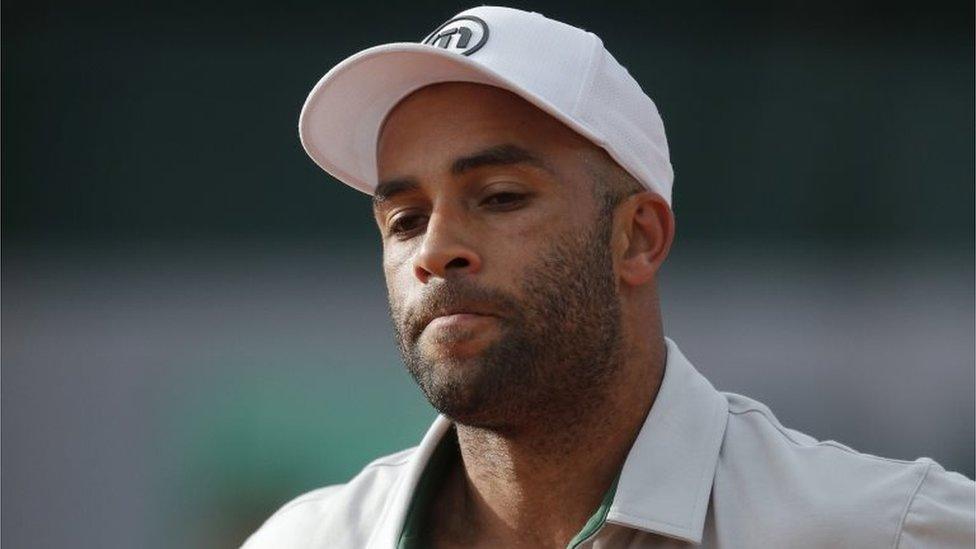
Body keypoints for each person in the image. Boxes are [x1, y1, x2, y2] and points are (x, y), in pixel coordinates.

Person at [243, 6, 975, 548]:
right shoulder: (303, 539)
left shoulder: (889, 529)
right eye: (403, 218)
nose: (436, 249)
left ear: (639, 238)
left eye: (499, 197)